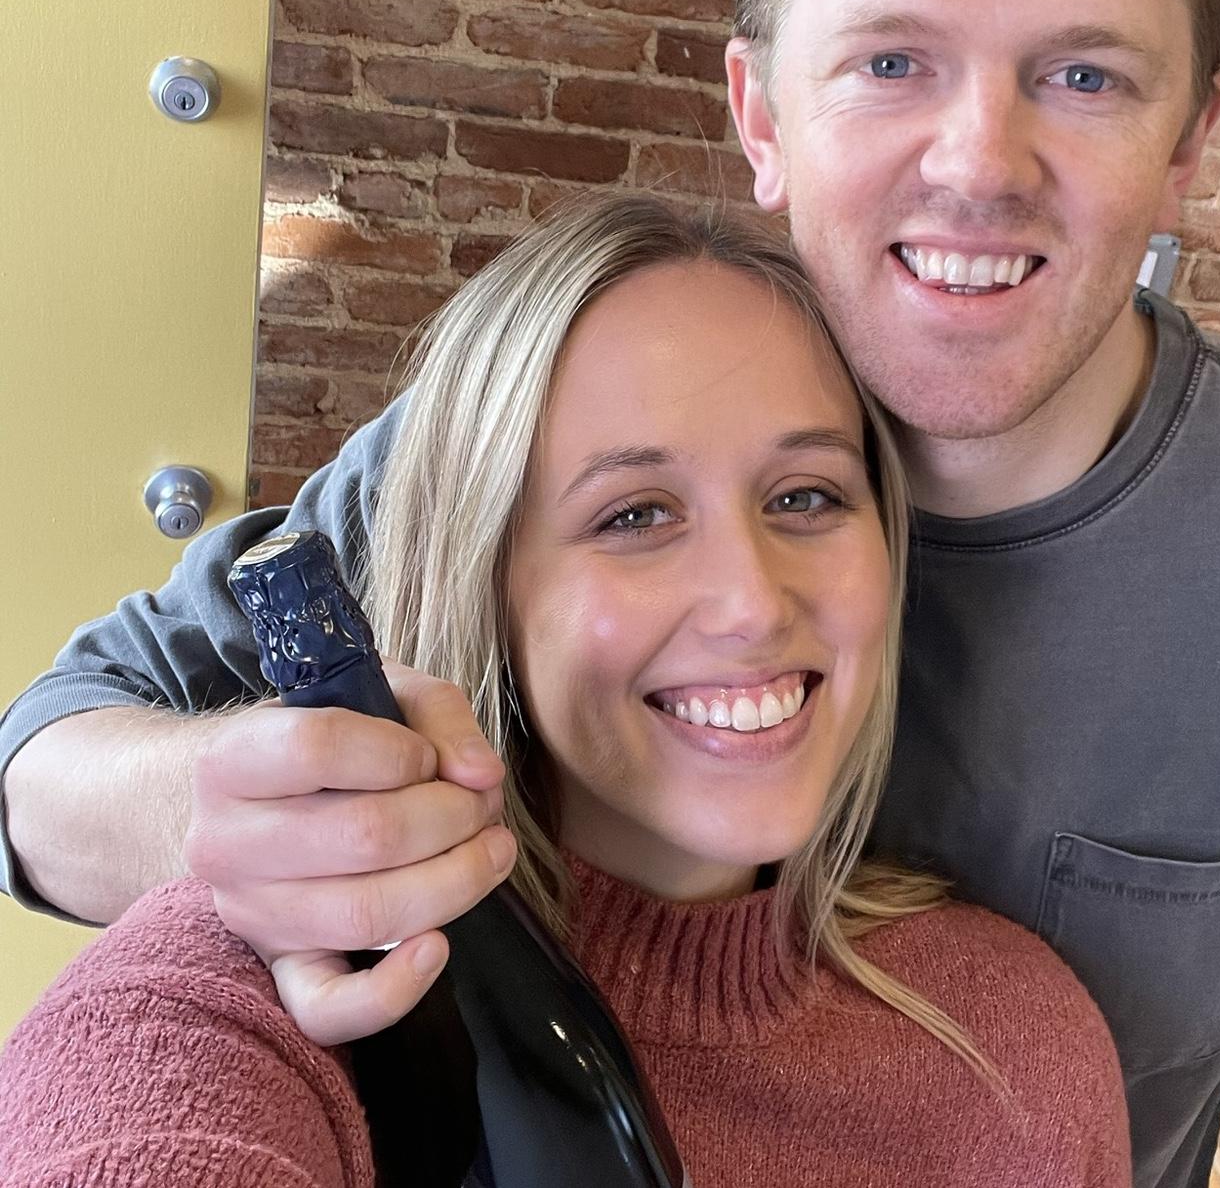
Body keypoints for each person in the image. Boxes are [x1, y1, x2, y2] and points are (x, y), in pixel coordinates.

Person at [3, 0, 1220, 1185]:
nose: (981, 164)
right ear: (761, 113)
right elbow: (43, 776)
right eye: (891, 61)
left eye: (1086, 76)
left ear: (1189, 143)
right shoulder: (548, 424)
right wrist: (257, 829)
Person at [0, 197, 1129, 1188]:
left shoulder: (1019, 1047)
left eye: (806, 496)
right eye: (634, 515)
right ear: (488, 581)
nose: (750, 603)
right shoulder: (290, 992)